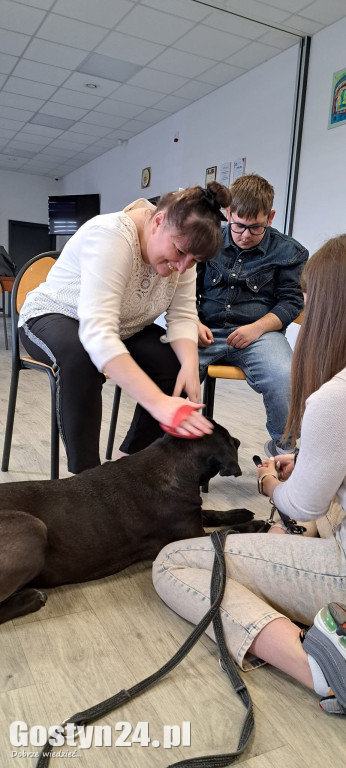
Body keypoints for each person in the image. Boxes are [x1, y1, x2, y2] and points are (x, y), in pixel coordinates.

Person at [153, 234, 346, 715]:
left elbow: (302, 504)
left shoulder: (334, 398)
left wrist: (271, 485)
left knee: (172, 563)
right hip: (209, 335)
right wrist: (308, 462)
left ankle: (321, 670)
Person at [18, 183, 231, 474]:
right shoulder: (111, 237)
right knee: (81, 358)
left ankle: (128, 467)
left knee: (172, 364)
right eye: (180, 252)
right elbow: (97, 332)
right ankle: (88, 479)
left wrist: (190, 365)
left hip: (122, 325)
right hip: (54, 314)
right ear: (158, 221)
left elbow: (182, 315)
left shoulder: (184, 250)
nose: (183, 267)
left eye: (193, 260)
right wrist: (158, 403)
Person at [197, 173, 309, 456]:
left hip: (260, 335)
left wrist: (257, 328)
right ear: (228, 214)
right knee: (167, 368)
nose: (246, 235)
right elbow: (185, 290)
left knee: (284, 376)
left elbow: (291, 302)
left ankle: (284, 451)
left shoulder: (290, 252)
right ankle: (163, 448)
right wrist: (192, 322)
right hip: (205, 330)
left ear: (270, 217)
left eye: (256, 227)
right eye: (238, 226)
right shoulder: (206, 239)